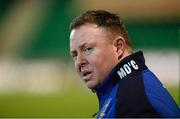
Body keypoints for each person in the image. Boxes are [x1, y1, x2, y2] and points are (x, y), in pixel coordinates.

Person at [69, 10, 180, 118]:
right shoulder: (128, 87)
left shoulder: (132, 101)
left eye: (88, 49)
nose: (79, 61)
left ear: (118, 47)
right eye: (74, 55)